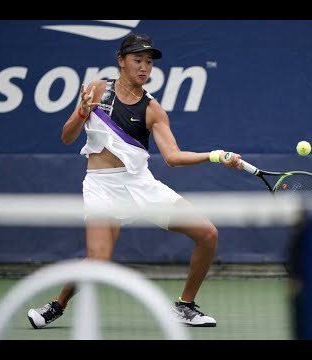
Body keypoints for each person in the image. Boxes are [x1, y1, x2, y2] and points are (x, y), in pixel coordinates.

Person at [27, 33, 243, 329]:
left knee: (207, 234)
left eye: (149, 62)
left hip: (141, 185)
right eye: (138, 60)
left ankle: (184, 306)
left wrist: (216, 155)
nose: (144, 67)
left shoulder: (153, 110)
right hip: (102, 187)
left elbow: (173, 157)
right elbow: (67, 137)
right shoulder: (97, 90)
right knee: (99, 259)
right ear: (121, 60)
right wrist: (82, 112)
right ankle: (56, 306)